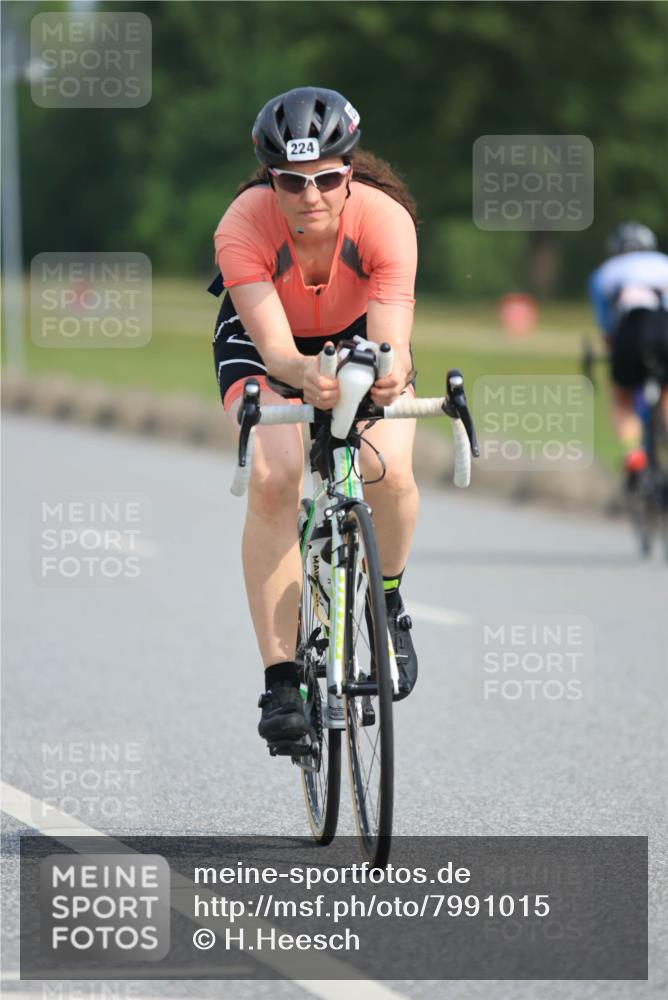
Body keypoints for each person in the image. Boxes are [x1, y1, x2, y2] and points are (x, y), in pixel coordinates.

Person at [210, 87, 420, 749]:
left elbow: (391, 344)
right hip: (266, 339)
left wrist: (383, 375)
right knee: (275, 475)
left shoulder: (386, 222)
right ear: (269, 178)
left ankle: (386, 602)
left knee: (390, 469)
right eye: (290, 182)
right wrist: (309, 378)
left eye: (327, 178)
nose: (310, 196)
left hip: (359, 332)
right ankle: (280, 681)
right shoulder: (242, 226)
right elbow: (276, 353)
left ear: (350, 170)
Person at [588, 222, 668, 482]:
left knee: (621, 395)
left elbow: (608, 326)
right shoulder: (663, 263)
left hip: (631, 329)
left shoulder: (605, 272)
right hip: (664, 326)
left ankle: (634, 454)